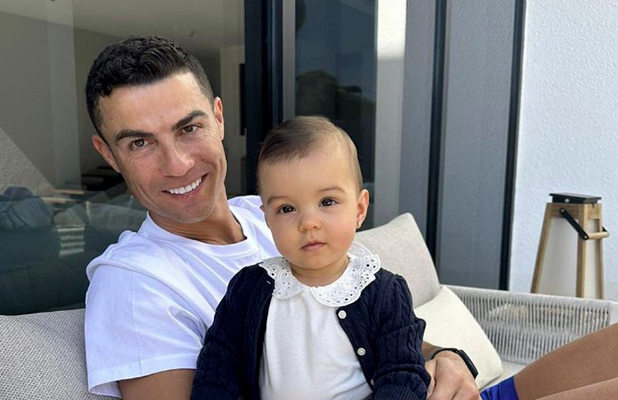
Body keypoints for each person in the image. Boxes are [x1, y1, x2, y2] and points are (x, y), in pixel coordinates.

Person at [83, 35, 478, 400]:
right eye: (140, 142)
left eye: (189, 128)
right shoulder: (134, 284)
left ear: (218, 118)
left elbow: (366, 323)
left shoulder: (272, 211)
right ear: (107, 154)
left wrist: (443, 357)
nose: (178, 164)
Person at [190, 116, 430, 399]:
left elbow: (403, 374)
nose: (308, 223)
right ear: (267, 219)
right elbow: (218, 368)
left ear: (359, 209)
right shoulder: (248, 289)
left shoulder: (384, 293)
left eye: (327, 202)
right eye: (287, 209)